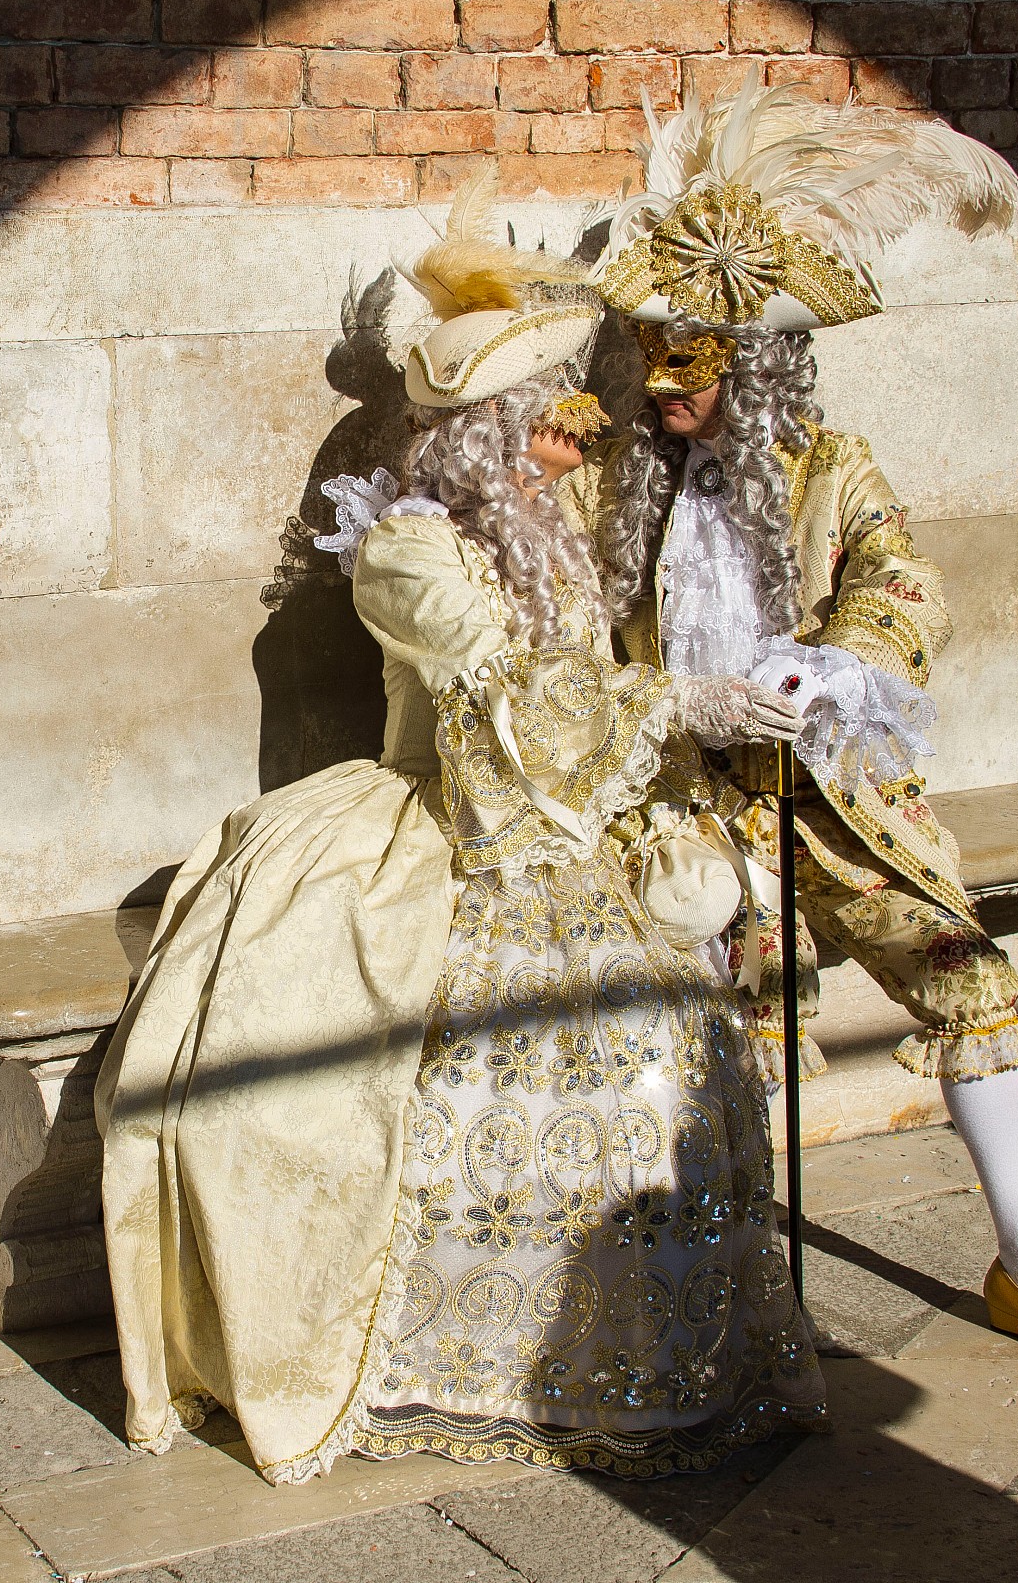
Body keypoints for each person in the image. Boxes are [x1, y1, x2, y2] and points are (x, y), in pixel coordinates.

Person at [95, 169, 827, 1485]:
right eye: (553, 412)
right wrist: (682, 702)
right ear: (484, 429)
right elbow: (510, 707)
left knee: (677, 1079)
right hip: (456, 832)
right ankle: (446, 1356)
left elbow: (596, 676)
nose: (582, 426)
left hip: (568, 838)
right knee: (468, 1090)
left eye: (579, 409)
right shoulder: (412, 552)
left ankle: (645, 1358)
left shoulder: (555, 535)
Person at [557, 75, 1018, 1380]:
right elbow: (562, 642)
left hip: (837, 787)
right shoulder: (611, 484)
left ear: (758, 364)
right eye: (657, 349)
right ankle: (730, 1302)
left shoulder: (831, 466)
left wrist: (835, 666)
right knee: (737, 1039)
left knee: (969, 984)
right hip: (697, 810)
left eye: (698, 359)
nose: (669, 383)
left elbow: (903, 580)